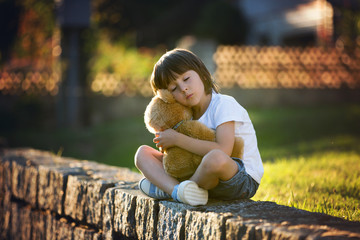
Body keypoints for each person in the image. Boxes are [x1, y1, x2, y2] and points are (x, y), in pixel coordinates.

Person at [134, 48, 263, 206]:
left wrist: (177, 139)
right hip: (204, 179)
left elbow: (224, 151)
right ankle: (178, 191)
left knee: (215, 157)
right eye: (174, 89)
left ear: (202, 74)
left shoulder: (223, 104)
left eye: (186, 78)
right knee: (142, 153)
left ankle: (176, 190)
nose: (183, 88)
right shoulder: (184, 116)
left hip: (238, 179)